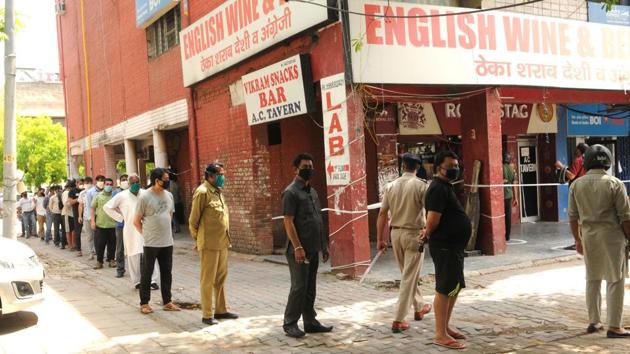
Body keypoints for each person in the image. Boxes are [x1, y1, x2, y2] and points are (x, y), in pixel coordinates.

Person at [568, 144, 630, 338]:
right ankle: (614, 326)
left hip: (589, 237)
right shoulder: (615, 184)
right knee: (615, 280)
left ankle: (594, 322)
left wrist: (577, 240)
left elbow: (572, 217)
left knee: (592, 278)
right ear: (608, 162)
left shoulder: (576, 185)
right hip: (613, 238)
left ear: (586, 162)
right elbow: (625, 217)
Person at [377, 152, 432, 333]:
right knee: (409, 277)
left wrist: (380, 238)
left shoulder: (390, 186)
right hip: (414, 234)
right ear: (418, 167)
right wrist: (428, 231)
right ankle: (398, 320)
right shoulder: (420, 186)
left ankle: (419, 306)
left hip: (396, 235)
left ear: (402, 166)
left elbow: (382, 213)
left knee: (408, 275)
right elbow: (431, 210)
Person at [423, 150, 471, 350]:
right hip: (445, 247)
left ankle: (446, 326)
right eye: (450, 166)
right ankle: (439, 334)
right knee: (444, 288)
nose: (454, 169)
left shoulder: (446, 187)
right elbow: (433, 220)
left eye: (456, 165)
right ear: (437, 169)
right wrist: (426, 232)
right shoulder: (437, 189)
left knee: (455, 287)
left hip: (455, 247)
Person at [281, 153, 332, 339]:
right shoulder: (291, 192)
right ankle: (290, 323)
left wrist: (324, 245)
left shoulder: (312, 191)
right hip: (298, 250)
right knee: (299, 287)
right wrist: (297, 247)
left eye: (311, 165)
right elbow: (288, 221)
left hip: (313, 247)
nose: (309, 169)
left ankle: (310, 321)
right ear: (295, 169)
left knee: (310, 287)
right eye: (304, 166)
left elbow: (318, 220)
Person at [189, 163, 238, 326]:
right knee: (207, 279)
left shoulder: (218, 192)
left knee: (220, 278)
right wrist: (199, 240)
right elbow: (193, 220)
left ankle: (221, 310)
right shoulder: (202, 192)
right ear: (210, 175)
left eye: (223, 173)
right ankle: (207, 314)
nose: (222, 177)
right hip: (209, 244)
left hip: (222, 242)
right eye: (219, 174)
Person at [134, 168, 180, 314]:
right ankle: (144, 303)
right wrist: (146, 234)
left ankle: (167, 301)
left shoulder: (169, 195)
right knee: (147, 273)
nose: (167, 181)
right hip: (151, 242)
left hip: (167, 241)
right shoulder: (145, 197)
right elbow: (136, 221)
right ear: (157, 180)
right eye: (165, 179)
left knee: (167, 272)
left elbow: (170, 214)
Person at [104, 174, 160, 288]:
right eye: (133, 182)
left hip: (146, 228)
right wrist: (120, 218)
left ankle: (152, 280)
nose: (135, 184)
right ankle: (137, 281)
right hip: (130, 229)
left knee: (150, 253)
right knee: (133, 255)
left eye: (137, 182)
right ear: (129, 184)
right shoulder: (122, 196)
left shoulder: (146, 193)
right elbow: (107, 207)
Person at [556, 143, 589, 251]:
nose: (575, 152)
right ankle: (584, 241)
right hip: (586, 189)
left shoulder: (578, 160)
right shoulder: (588, 161)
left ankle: (578, 242)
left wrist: (561, 167)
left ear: (579, 151)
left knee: (577, 217)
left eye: (576, 150)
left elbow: (572, 176)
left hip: (577, 190)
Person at [91, 178, 117, 269]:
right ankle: (99, 261)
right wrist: (92, 221)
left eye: (110, 184)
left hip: (112, 224)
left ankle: (111, 260)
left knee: (112, 244)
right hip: (100, 224)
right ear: (104, 185)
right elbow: (93, 208)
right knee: (100, 244)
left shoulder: (115, 196)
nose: (108, 186)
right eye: (107, 184)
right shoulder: (98, 196)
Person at [81, 176, 104, 260]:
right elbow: (89, 206)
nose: (101, 182)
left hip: (101, 217)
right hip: (89, 217)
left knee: (99, 236)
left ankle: (99, 252)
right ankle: (91, 252)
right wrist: (91, 219)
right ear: (96, 181)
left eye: (102, 180)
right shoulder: (90, 192)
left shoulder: (106, 191)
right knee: (90, 236)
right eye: (99, 180)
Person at [114, 174, 129, 277]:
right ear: (120, 182)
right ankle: (120, 269)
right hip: (120, 224)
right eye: (123, 180)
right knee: (120, 248)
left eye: (126, 180)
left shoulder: (133, 192)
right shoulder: (116, 193)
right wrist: (123, 212)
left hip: (132, 224)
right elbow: (113, 206)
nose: (125, 181)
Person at [503, 152, 518, 242]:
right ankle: (507, 236)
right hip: (509, 195)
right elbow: (514, 184)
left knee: (501, 216)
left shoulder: (501, 167)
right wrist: (516, 198)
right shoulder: (512, 169)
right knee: (508, 216)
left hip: (502, 195)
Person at [62, 179, 78, 251]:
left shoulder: (74, 192)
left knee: (74, 230)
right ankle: (70, 245)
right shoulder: (66, 193)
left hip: (74, 213)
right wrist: (75, 201)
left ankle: (74, 244)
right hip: (67, 213)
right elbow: (66, 204)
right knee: (68, 230)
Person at [70, 183, 83, 256]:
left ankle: (94, 250)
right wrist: (79, 198)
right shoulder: (72, 191)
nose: (82, 185)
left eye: (83, 183)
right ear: (76, 183)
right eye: (80, 183)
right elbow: (71, 202)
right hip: (77, 214)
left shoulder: (86, 190)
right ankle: (79, 249)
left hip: (87, 213)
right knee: (78, 232)